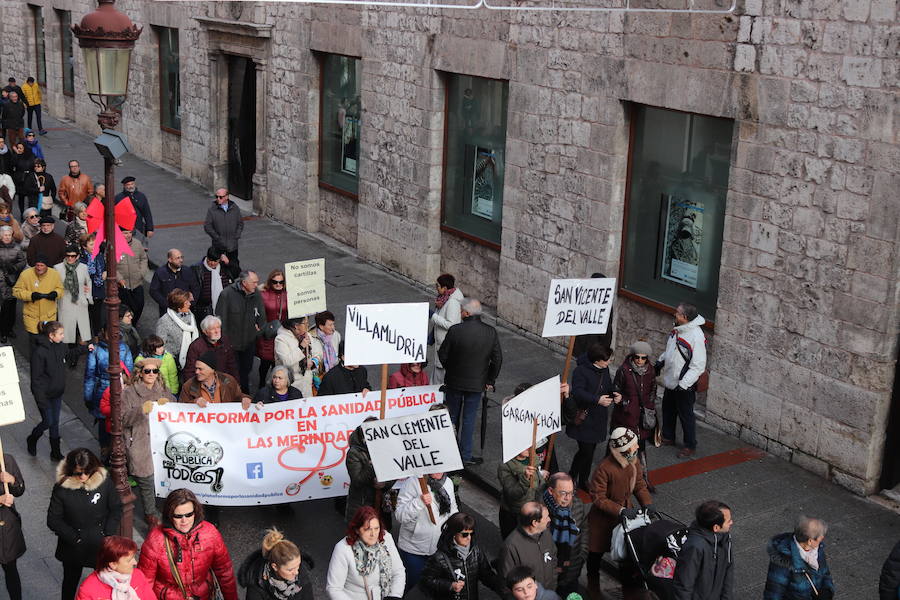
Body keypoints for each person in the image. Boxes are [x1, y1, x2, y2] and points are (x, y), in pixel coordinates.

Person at [47, 448, 123, 600]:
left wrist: (107, 534)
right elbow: (53, 520)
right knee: (70, 581)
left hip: (100, 544)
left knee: (105, 583)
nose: (83, 476)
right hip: (73, 547)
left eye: (87, 472)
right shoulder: (62, 488)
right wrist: (75, 537)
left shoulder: (104, 482)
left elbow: (116, 508)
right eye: (78, 473)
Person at [138, 488, 239, 600]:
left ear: (196, 512)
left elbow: (225, 573)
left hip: (203, 595)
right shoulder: (155, 540)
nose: (184, 521)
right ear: (169, 515)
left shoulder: (211, 533)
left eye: (189, 514)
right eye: (178, 516)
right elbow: (145, 583)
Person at [586, 428, 653, 595]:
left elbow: (639, 484)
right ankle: (592, 585)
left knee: (627, 554)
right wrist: (620, 510)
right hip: (602, 521)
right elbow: (598, 497)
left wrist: (647, 503)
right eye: (633, 446)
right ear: (623, 450)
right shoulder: (604, 468)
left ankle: (628, 588)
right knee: (595, 554)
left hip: (625, 517)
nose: (637, 448)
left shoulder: (634, 461)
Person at [438, 298, 502, 466]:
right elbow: (497, 359)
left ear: (467, 313)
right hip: (476, 384)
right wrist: (490, 379)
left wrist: (450, 369)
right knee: (469, 419)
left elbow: (443, 354)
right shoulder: (490, 332)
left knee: (452, 417)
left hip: (454, 381)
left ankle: (448, 452)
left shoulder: (455, 330)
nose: (460, 313)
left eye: (461, 310)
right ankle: (465, 455)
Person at [121, 357, 175, 528]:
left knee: (166, 479)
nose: (151, 374)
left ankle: (165, 511)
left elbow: (177, 409)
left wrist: (169, 405)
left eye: (155, 371)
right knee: (147, 482)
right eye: (147, 371)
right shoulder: (129, 393)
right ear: (140, 373)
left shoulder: (163, 390)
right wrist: (141, 410)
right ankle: (151, 515)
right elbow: (122, 419)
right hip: (140, 443)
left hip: (161, 444)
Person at [567, 344, 620, 491]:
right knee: (585, 451)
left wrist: (614, 393)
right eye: (607, 360)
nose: (609, 362)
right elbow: (578, 392)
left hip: (598, 418)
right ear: (597, 360)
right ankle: (573, 476)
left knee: (590, 451)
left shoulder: (604, 369)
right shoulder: (581, 371)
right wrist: (597, 399)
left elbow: (608, 385)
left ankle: (583, 479)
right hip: (585, 417)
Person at [658, 302, 707, 458]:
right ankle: (668, 436)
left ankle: (690, 445)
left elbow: (698, 365)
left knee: (686, 416)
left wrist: (684, 384)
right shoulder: (677, 330)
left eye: (677, 313)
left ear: (685, 317)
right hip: (672, 379)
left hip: (684, 385)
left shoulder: (696, 336)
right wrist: (661, 361)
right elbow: (671, 350)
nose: (675, 314)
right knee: (668, 408)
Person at [326, 505, 405, 600]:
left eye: (376, 528)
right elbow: (334, 589)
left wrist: (394, 595)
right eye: (367, 529)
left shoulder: (386, 538)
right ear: (357, 530)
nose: (373, 534)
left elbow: (398, 571)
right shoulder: (343, 549)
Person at [420, 512, 504, 600]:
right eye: (465, 534)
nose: (469, 538)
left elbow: (486, 575)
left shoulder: (476, 551)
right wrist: (450, 585)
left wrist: (505, 588)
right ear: (453, 534)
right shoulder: (439, 558)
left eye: (471, 533)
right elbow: (426, 580)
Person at [395, 472, 458, 591]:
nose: (439, 471)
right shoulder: (412, 483)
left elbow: (452, 509)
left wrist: (458, 526)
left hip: (438, 548)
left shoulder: (448, 482)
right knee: (410, 584)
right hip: (413, 549)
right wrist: (419, 502)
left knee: (432, 587)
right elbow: (400, 515)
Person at [613, 341, 658, 489]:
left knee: (642, 447)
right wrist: (625, 403)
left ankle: (644, 478)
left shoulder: (650, 371)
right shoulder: (624, 370)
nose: (640, 360)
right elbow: (616, 390)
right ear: (632, 356)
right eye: (637, 357)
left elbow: (653, 390)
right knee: (623, 446)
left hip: (642, 416)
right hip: (626, 416)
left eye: (643, 358)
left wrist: (649, 406)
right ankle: (617, 476)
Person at [84, 323, 134, 452]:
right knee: (105, 420)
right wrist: (88, 396)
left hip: (118, 388)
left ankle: (114, 450)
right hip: (103, 390)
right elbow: (89, 375)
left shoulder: (124, 348)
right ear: (103, 332)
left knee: (116, 419)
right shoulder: (96, 349)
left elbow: (129, 372)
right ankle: (106, 449)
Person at [672, 501, 734, 600]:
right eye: (729, 521)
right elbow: (684, 584)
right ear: (716, 528)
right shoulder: (695, 547)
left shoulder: (725, 537)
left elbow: (728, 569)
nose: (732, 522)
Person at [215, 270, 265, 392]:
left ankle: (244, 393)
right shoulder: (226, 295)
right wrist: (224, 343)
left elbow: (261, 316)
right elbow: (221, 321)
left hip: (249, 343)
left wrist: (257, 333)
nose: (256, 285)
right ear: (244, 283)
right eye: (254, 282)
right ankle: (234, 395)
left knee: (246, 371)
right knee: (233, 373)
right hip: (232, 345)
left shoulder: (256, 294)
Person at [764, 516, 834, 600]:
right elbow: (773, 594)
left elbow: (825, 572)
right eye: (820, 538)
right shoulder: (783, 561)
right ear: (810, 541)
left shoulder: (817, 549)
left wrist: (827, 590)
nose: (822, 539)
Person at [27, 320, 67, 459]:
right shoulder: (39, 352)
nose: (63, 336)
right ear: (51, 335)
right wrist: (41, 400)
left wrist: (85, 349)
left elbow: (68, 354)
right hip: (44, 395)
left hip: (57, 392)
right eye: (60, 333)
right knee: (48, 422)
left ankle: (55, 452)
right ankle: (32, 438)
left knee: (55, 422)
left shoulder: (60, 346)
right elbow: (36, 379)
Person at [543, 473, 588, 597]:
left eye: (571, 493)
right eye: (563, 493)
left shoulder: (577, 505)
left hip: (572, 571)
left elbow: (584, 529)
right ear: (551, 491)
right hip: (546, 576)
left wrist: (582, 554)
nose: (568, 498)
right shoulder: (540, 511)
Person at [238, 528, 314, 600]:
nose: (296, 572)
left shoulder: (302, 573)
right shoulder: (256, 583)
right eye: (290, 570)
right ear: (275, 567)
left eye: (298, 566)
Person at [499, 502, 558, 593]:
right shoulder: (511, 547)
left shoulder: (545, 533)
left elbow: (553, 559)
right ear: (535, 523)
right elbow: (506, 585)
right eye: (546, 517)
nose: (549, 519)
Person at [344, 418, 393, 525]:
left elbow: (394, 472)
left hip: (382, 504)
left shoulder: (386, 449)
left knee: (383, 536)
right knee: (362, 534)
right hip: (361, 505)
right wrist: (372, 465)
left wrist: (385, 484)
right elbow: (357, 480)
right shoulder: (354, 453)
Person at [75, 536, 155, 600]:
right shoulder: (88, 589)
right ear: (113, 564)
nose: (135, 562)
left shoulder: (138, 575)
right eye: (129, 560)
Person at [12, 253, 62, 344]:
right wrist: (30, 295)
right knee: (34, 345)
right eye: (37, 265)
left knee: (48, 344)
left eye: (42, 265)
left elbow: (61, 289)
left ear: (47, 266)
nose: (39, 268)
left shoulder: (54, 274)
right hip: (32, 317)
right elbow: (16, 291)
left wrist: (55, 293)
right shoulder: (25, 274)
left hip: (49, 317)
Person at [498, 449, 548, 539]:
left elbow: (538, 485)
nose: (529, 448)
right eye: (526, 446)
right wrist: (525, 479)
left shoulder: (533, 459)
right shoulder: (505, 466)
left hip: (532, 510)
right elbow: (513, 493)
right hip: (514, 514)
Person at [183, 315, 239, 383]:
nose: (217, 331)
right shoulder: (196, 346)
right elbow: (189, 372)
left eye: (218, 327)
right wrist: (195, 391)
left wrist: (236, 384)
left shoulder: (225, 341)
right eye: (212, 329)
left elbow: (232, 365)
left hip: (223, 382)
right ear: (205, 331)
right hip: (204, 384)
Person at [54, 245, 91, 346]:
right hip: (65, 302)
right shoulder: (57, 268)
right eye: (68, 256)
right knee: (66, 332)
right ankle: (67, 355)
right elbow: (55, 285)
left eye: (73, 256)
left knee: (80, 330)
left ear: (78, 256)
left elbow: (88, 282)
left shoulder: (84, 268)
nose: (70, 258)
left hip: (80, 302)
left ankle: (75, 357)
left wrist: (87, 298)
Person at [179, 350, 246, 406]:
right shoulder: (188, 386)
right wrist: (194, 402)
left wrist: (245, 399)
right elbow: (181, 407)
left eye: (200, 369)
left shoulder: (228, 381)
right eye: (196, 368)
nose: (196, 372)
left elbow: (238, 397)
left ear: (212, 370)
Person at [0, 451, 25, 600]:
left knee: (11, 568)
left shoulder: (7, 460)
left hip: (7, 527)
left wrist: (12, 480)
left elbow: (20, 489)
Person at [430, 273, 463, 384]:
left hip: (446, 345)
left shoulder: (452, 302)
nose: (436, 288)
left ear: (445, 288)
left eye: (438, 286)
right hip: (440, 342)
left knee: (441, 378)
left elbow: (451, 324)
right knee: (437, 375)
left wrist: (433, 316)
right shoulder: (443, 299)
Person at [256, 270, 288, 386]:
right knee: (265, 362)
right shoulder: (263, 294)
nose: (278, 284)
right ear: (270, 282)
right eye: (275, 282)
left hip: (283, 333)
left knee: (278, 362)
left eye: (281, 282)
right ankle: (261, 385)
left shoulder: (289, 294)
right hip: (267, 333)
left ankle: (276, 386)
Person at [155, 288, 199, 369]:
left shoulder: (190, 316)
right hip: (174, 361)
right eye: (186, 303)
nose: (190, 304)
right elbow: (160, 344)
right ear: (179, 307)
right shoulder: (164, 321)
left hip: (191, 357)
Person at [204, 188, 243, 279]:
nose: (218, 199)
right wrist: (217, 238)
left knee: (234, 265)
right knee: (219, 266)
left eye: (221, 197)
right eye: (216, 196)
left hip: (232, 245)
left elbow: (240, 223)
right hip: (219, 246)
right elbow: (207, 226)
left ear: (227, 197)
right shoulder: (212, 209)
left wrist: (236, 236)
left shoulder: (234, 208)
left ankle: (234, 280)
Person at [149, 249, 198, 317]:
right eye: (177, 258)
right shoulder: (160, 272)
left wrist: (190, 303)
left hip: (185, 310)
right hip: (167, 312)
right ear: (170, 259)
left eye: (181, 257)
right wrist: (166, 304)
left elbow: (195, 288)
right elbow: (153, 291)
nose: (181, 260)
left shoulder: (187, 271)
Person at [275, 316, 314, 398]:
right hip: (292, 382)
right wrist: (301, 347)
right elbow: (286, 361)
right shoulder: (281, 339)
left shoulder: (306, 335)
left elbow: (316, 352)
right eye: (305, 323)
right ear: (296, 326)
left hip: (306, 380)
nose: (308, 325)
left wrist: (314, 361)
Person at [189, 245, 231, 322]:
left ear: (219, 260)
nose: (212, 263)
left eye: (215, 261)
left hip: (224, 306)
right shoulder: (196, 268)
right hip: (203, 309)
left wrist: (228, 263)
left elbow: (236, 273)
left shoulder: (224, 267)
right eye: (209, 260)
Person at [117, 227, 149, 322]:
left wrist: (142, 273)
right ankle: (126, 326)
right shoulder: (114, 245)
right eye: (125, 233)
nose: (128, 235)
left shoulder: (137, 244)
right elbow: (110, 265)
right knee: (124, 310)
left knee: (139, 306)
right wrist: (119, 279)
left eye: (130, 232)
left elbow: (143, 258)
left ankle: (133, 325)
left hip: (137, 283)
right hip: (122, 286)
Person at [0, 224, 25, 342]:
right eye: (5, 235)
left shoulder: (17, 247)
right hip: (1, 281)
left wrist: (14, 268)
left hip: (12, 281)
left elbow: (22, 261)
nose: (7, 237)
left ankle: (9, 329)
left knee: (11, 308)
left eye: (9, 235)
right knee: (3, 307)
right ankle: (3, 331)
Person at [114, 176, 154, 243]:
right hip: (124, 229)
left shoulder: (141, 196)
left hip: (138, 227)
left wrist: (150, 229)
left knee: (139, 245)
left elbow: (147, 213)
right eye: (128, 185)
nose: (130, 186)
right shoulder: (118, 198)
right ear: (124, 186)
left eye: (132, 184)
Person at [80, 232, 106, 334]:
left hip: (98, 291)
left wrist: (105, 272)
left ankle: (96, 336)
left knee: (97, 317)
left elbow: (104, 266)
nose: (94, 246)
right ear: (84, 246)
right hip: (86, 293)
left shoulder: (99, 255)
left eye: (95, 243)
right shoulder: (81, 259)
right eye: (91, 244)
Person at [309, 310, 341, 389]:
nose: (333, 328)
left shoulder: (336, 335)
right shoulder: (310, 338)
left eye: (333, 324)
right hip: (318, 379)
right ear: (321, 326)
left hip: (335, 376)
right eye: (330, 325)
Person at [9, 143, 33, 217]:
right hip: (20, 180)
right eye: (18, 148)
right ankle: (22, 213)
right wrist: (16, 155)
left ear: (24, 149)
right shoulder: (16, 156)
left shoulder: (31, 156)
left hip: (29, 179)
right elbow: (11, 166)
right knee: (21, 198)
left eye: (20, 148)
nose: (19, 149)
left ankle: (30, 214)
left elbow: (33, 166)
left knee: (30, 198)